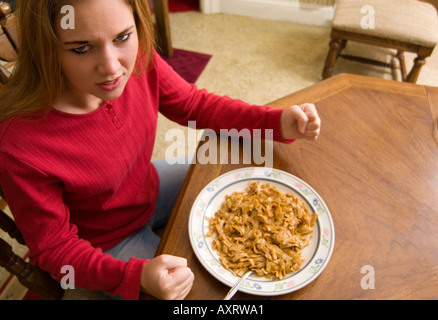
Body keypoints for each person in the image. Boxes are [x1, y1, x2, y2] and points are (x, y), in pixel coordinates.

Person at [0, 0, 321, 300]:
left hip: (148, 185)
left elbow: (195, 104)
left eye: (123, 36)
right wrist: (134, 276)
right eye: (82, 48)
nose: (112, 68)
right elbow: (55, 249)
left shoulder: (138, 57)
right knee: (206, 293)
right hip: (107, 243)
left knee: (236, 167)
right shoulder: (18, 143)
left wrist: (275, 123)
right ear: (47, 48)